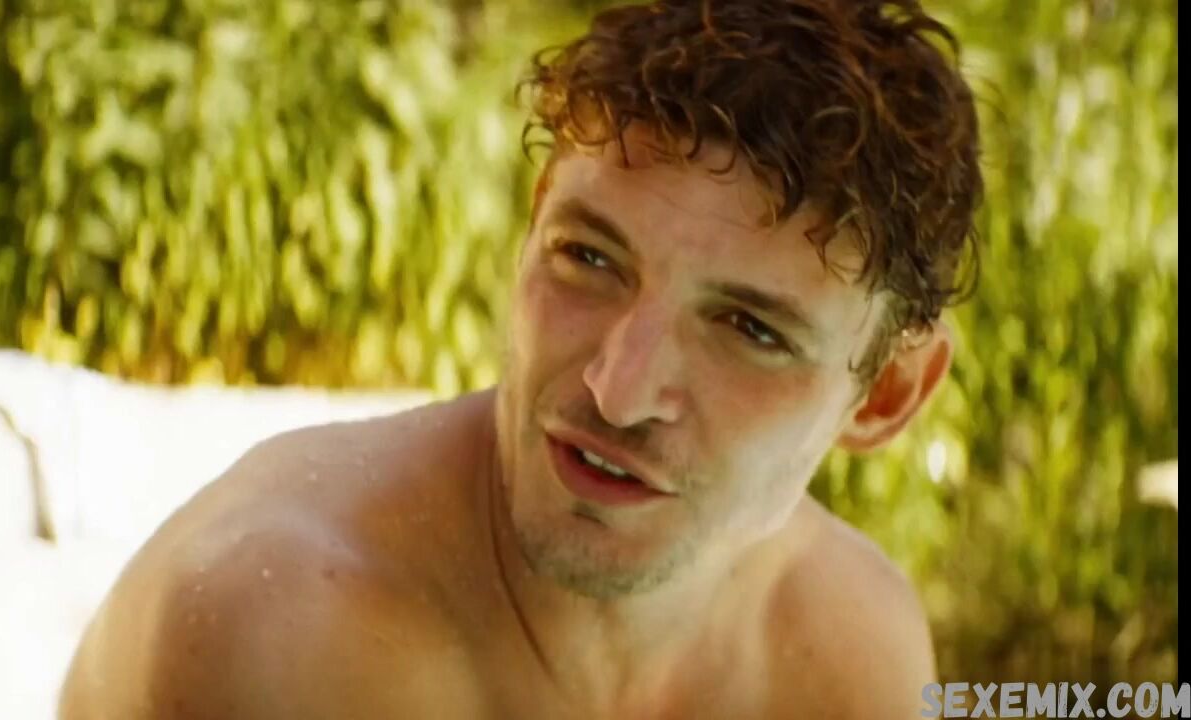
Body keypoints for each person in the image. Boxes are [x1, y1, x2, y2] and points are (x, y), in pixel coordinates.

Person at [60, 0, 982, 717]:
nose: (617, 392)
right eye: (589, 258)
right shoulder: (287, 632)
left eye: (749, 329)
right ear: (536, 218)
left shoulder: (847, 657)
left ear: (886, 393)